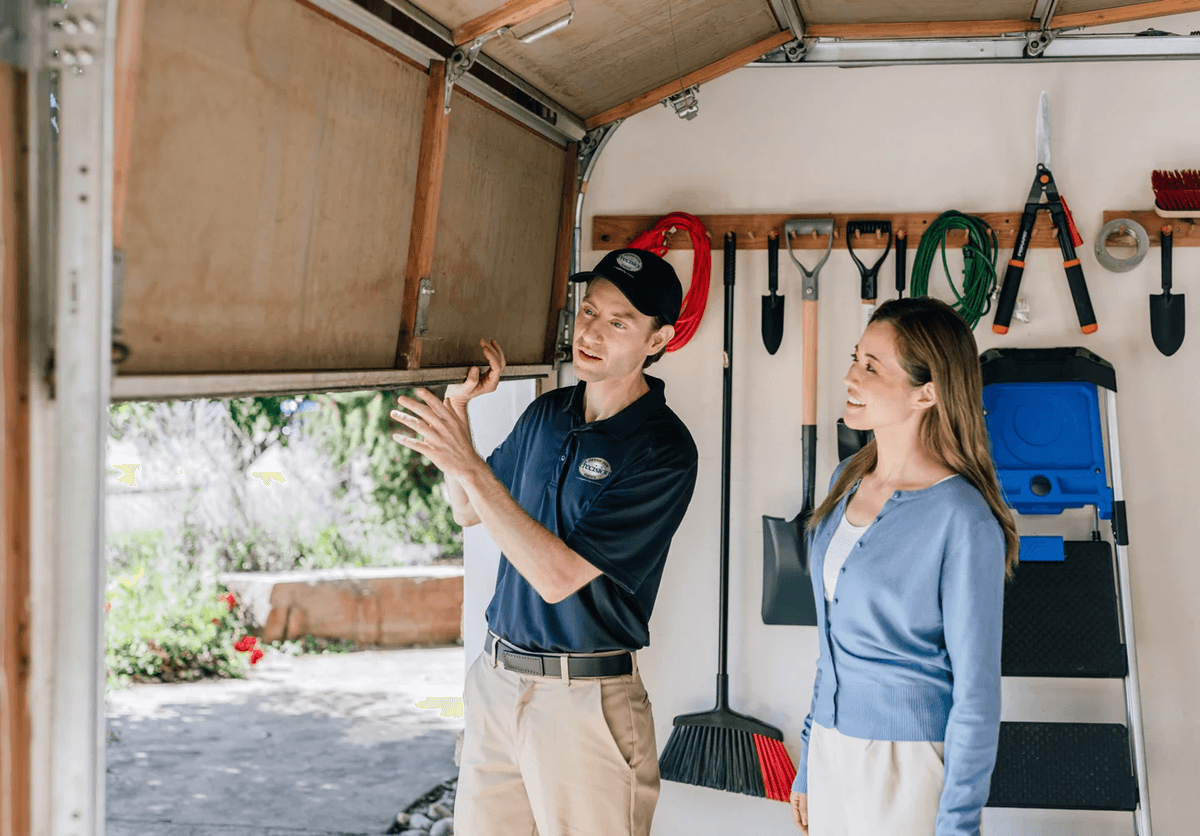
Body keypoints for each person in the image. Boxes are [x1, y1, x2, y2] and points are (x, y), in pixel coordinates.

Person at [390, 248, 698, 836]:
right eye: (589, 312)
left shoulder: (663, 450)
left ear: (657, 341)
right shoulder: (547, 414)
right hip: (497, 680)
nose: (592, 332)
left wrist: (468, 462)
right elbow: (466, 509)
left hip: (582, 701)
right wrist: (458, 411)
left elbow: (556, 578)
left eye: (619, 323)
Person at [789, 297, 1019, 836]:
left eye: (872, 366)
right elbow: (831, 644)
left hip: (907, 766)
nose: (850, 376)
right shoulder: (845, 478)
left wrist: (958, 823)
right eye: (855, 358)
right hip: (830, 749)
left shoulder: (962, 517)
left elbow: (977, 691)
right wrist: (807, 759)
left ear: (928, 391)